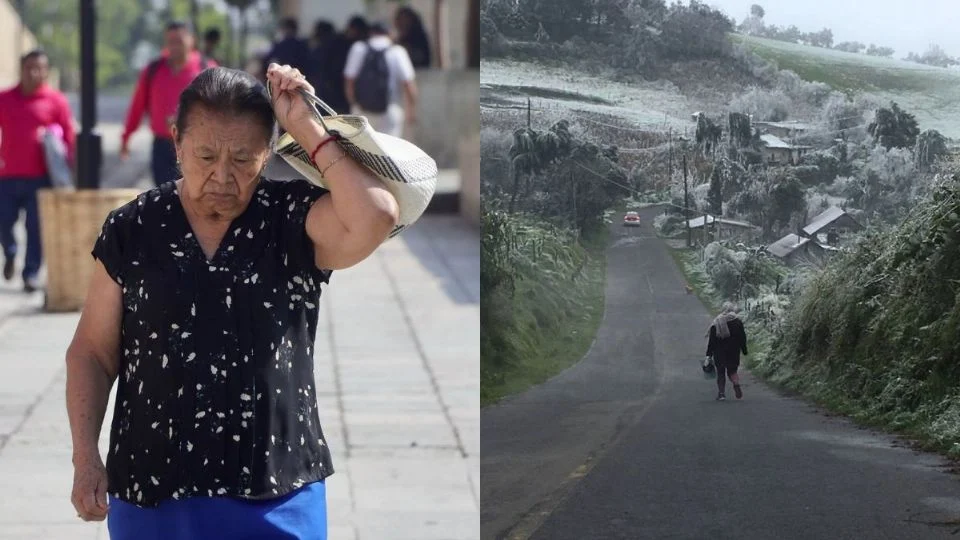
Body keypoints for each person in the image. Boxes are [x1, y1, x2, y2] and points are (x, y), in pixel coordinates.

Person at [66, 64, 399, 538]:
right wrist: (85, 460)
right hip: (154, 495)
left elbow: (376, 215)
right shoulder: (134, 229)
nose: (222, 176)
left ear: (269, 153)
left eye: (244, 158)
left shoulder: (290, 218)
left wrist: (307, 127)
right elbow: (92, 354)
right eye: (205, 155)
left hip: (276, 492)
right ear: (176, 142)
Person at [0, 49, 76, 292]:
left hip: (41, 178)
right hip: (7, 176)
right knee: (4, 221)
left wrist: (72, 171)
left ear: (46, 71)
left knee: (35, 228)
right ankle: (10, 252)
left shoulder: (56, 101)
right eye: (29, 68)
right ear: (21, 70)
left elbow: (69, 140)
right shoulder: (5, 98)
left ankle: (31, 273)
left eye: (39, 68)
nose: (34, 73)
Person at [122, 21, 216, 187]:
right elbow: (137, 107)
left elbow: (219, 109)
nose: (174, 46)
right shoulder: (153, 71)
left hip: (198, 146)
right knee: (165, 197)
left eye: (179, 41)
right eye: (170, 41)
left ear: (191, 41)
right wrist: (126, 137)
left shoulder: (207, 69)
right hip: (162, 146)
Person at [343, 21, 418, 138]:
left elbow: (349, 80)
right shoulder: (398, 51)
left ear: (371, 33)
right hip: (390, 110)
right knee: (389, 151)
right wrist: (411, 110)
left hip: (361, 111)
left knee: (361, 151)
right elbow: (408, 84)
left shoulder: (358, 48)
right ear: (390, 34)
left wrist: (354, 104)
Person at [705, 302, 748, 401]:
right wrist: (744, 350)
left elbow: (712, 340)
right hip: (733, 351)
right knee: (732, 371)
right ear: (732, 310)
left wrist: (709, 354)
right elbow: (742, 337)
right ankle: (736, 384)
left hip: (719, 352)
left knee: (720, 372)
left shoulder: (717, 322)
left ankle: (721, 394)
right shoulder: (737, 322)